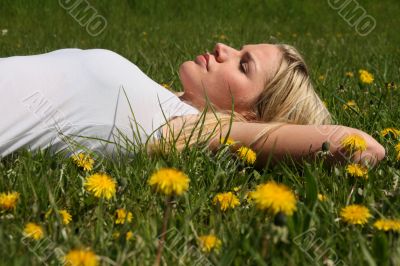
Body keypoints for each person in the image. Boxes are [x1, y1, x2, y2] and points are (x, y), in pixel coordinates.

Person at [0, 43, 385, 166]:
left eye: (243, 64)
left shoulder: (187, 127)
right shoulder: (164, 101)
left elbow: (365, 146)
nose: (222, 48)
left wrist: (254, 135)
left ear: (251, 115)